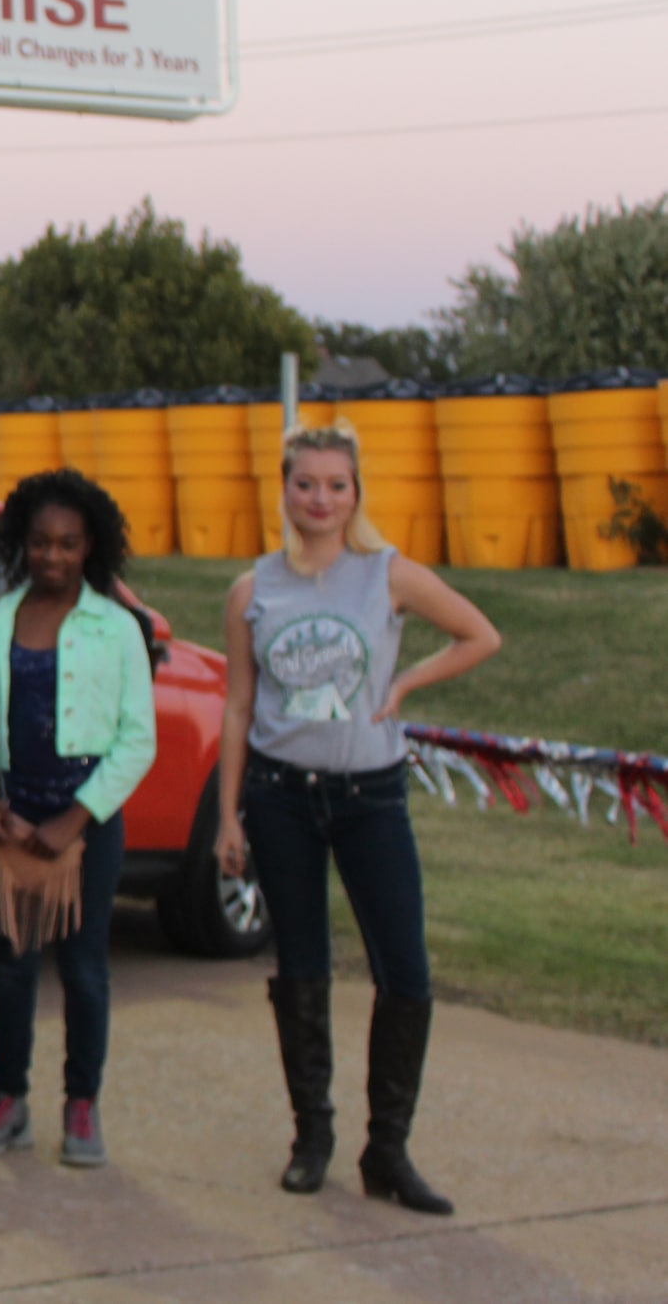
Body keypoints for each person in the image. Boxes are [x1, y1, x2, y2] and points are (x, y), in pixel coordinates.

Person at [216, 422, 499, 1215]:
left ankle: (389, 1148)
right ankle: (313, 1136)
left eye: (337, 485)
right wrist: (227, 816)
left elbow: (479, 633)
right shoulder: (253, 589)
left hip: (368, 792)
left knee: (404, 966)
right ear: (285, 488)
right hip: (278, 793)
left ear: (355, 491)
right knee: (300, 964)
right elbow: (238, 705)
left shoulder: (388, 574)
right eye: (307, 483)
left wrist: (405, 684)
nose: (321, 498)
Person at [0, 470, 155, 1171]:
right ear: (20, 544)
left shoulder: (118, 627)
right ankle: (8, 1100)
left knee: (84, 966)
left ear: (90, 546)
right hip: (16, 820)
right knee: (12, 967)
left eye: (68, 544)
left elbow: (138, 739)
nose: (53, 556)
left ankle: (81, 1101)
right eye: (39, 542)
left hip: (85, 822)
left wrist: (77, 818)